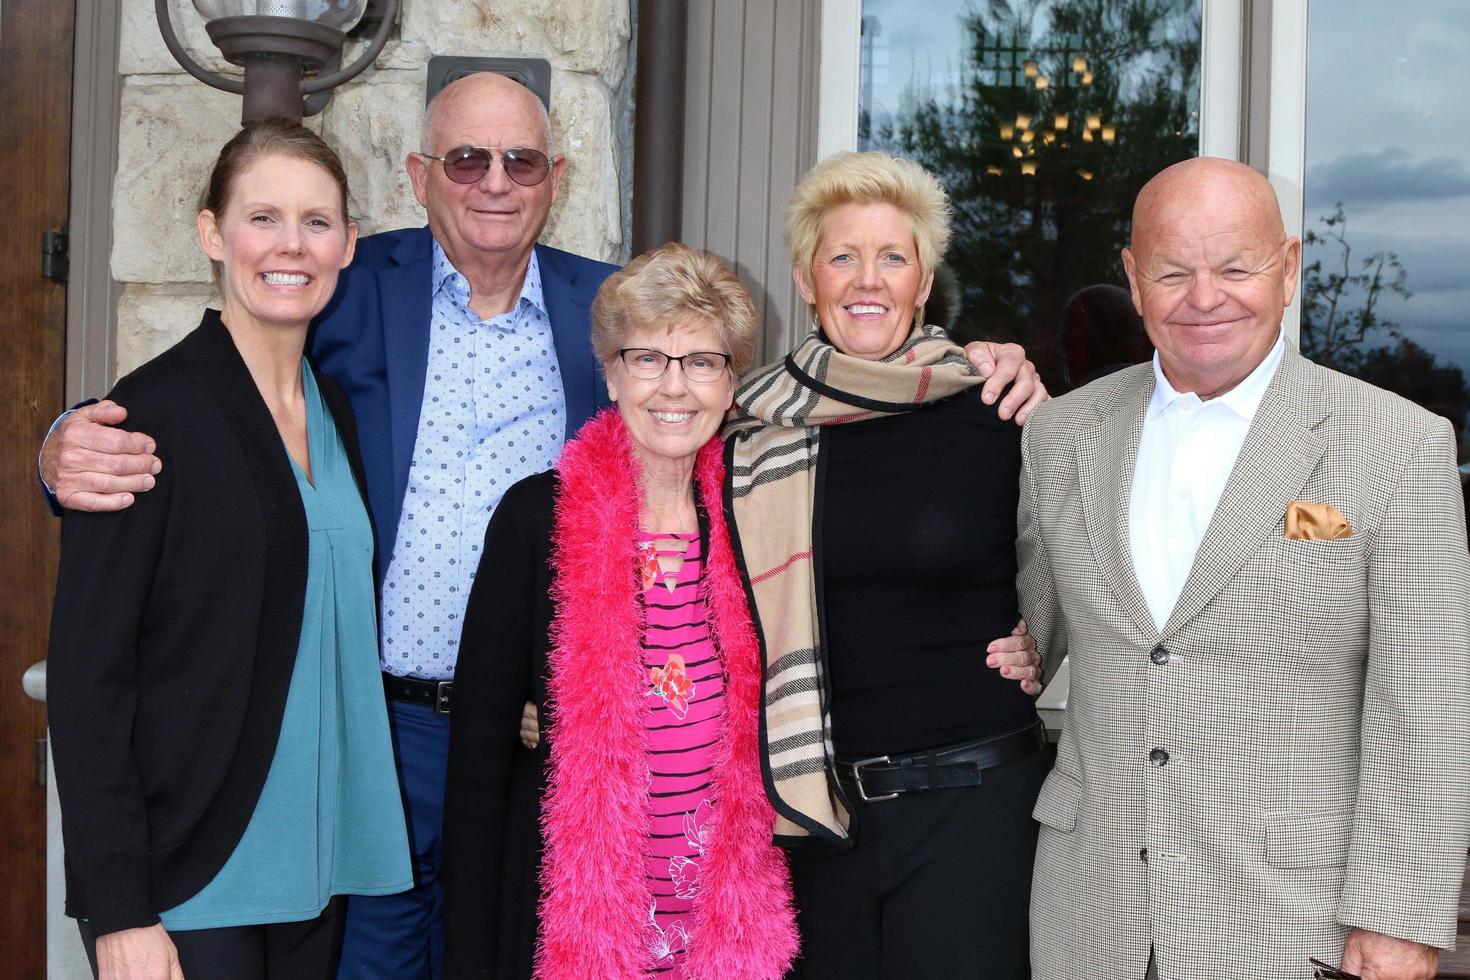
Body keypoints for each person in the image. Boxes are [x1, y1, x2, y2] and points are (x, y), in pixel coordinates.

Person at [37, 72, 1046, 975]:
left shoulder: (619, 328)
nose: (494, 181)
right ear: (421, 173)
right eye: (467, 158)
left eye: (520, 159)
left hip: (574, 768)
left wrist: (1035, 623)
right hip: (367, 728)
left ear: (555, 175)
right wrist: (65, 439)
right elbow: (211, 398)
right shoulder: (342, 290)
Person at [1017, 157, 1470, 980]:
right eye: (1173, 272)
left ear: (1289, 267)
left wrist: (1398, 916)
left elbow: (1426, 705)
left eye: (1236, 268)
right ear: (1131, 275)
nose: (1204, 298)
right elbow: (1019, 633)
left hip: (1294, 921)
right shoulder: (1058, 438)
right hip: (1089, 914)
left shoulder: (1399, 448)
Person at [47, 120, 412, 980]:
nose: (292, 246)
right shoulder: (150, 415)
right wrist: (118, 909)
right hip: (193, 878)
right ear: (213, 232)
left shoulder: (335, 410)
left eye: (317, 222)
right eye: (264, 218)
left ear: (348, 244)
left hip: (317, 870)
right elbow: (88, 674)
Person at [723, 151, 1049, 978]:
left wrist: (1054, 641)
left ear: (925, 282)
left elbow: (1086, 561)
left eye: (892, 257)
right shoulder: (750, 428)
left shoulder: (998, 407)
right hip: (809, 817)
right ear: (805, 278)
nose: (867, 280)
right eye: (843, 257)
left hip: (971, 816)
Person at [441, 243, 800, 978]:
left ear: (732, 384)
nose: (675, 386)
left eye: (702, 361)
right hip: (575, 924)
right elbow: (477, 761)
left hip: (724, 917)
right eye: (647, 359)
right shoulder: (535, 521)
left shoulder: (758, 519)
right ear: (610, 372)